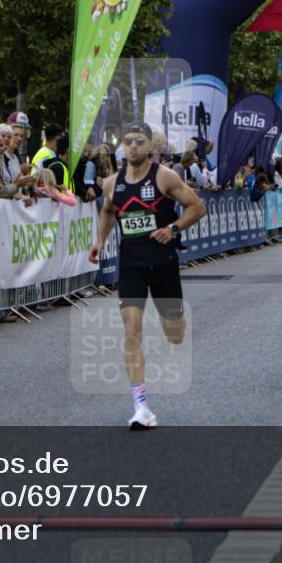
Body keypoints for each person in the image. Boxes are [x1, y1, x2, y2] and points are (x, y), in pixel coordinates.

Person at [88, 122, 206, 430]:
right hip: (131, 266)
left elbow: (197, 207)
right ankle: (141, 406)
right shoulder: (111, 183)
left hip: (163, 263)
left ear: (151, 146)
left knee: (174, 333)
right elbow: (108, 210)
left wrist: (173, 228)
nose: (133, 146)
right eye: (128, 141)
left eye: (139, 141)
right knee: (131, 332)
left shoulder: (165, 177)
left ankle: (175, 319)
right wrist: (100, 240)